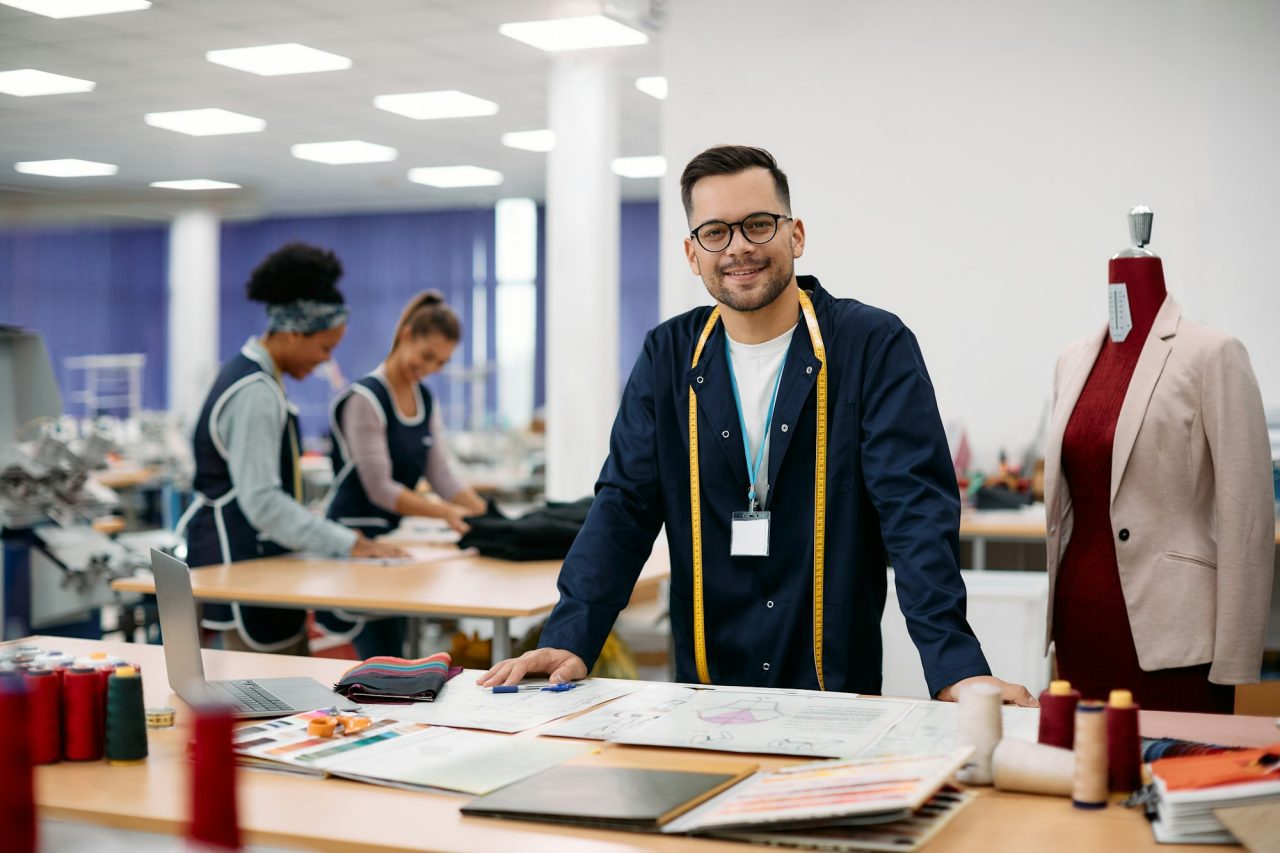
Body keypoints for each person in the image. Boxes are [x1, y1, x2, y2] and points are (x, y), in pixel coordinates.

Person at [480, 145, 1034, 706]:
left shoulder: (871, 346)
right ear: (692, 254)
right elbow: (623, 508)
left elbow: (915, 514)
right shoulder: (669, 355)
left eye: (758, 225)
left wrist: (955, 666)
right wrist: (571, 636)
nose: (739, 246)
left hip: (835, 684)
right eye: (715, 232)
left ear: (795, 235)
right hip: (704, 684)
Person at [1044, 209, 1273, 712]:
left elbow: (1248, 514)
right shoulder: (1072, 358)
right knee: (1088, 777)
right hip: (1080, 620)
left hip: (1175, 637)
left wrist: (1235, 656)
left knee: (1179, 776)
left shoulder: (1213, 354)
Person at [183, 242, 403, 655]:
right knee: (272, 703)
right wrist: (345, 541)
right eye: (324, 347)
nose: (324, 361)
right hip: (242, 563)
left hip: (247, 560)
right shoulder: (256, 392)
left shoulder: (249, 374)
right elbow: (262, 500)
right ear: (291, 331)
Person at [319, 291, 487, 657]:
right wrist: (445, 512)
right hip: (353, 540)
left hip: (393, 543)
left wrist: (484, 513)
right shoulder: (365, 399)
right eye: (427, 356)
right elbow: (380, 488)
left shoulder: (425, 399)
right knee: (382, 652)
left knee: (398, 649)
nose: (430, 368)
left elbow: (440, 471)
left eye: (440, 362)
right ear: (406, 335)